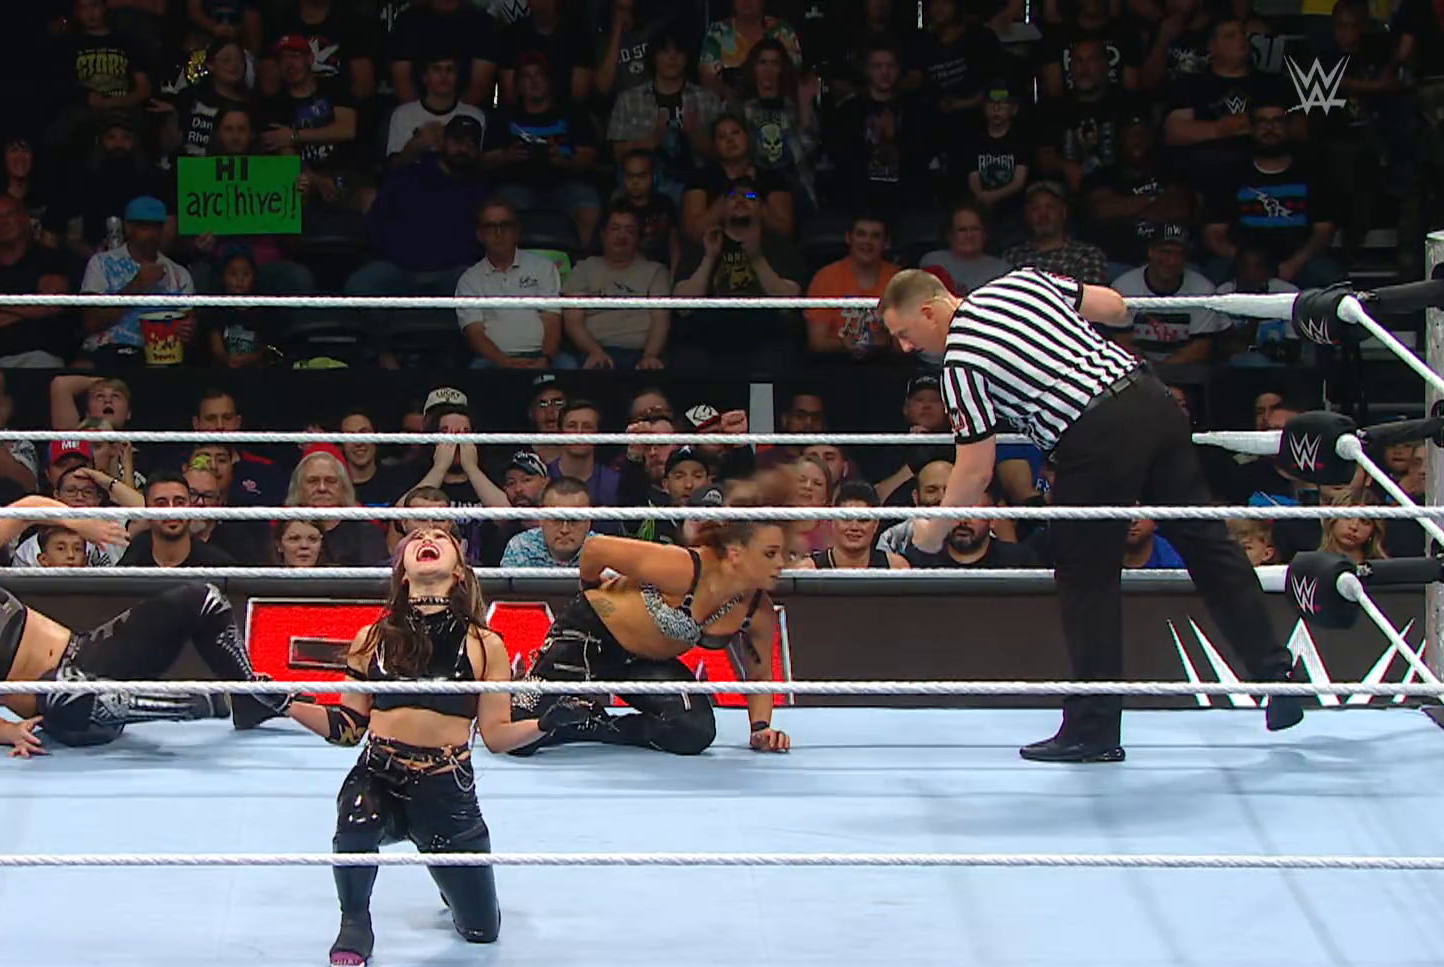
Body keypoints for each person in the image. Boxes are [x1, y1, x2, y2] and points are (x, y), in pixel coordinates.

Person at [876, 267, 1303, 763]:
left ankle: (1093, 729)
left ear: (930, 310)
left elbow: (975, 468)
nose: (906, 347)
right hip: (1151, 399)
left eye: (904, 333)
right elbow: (1117, 308)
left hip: (1093, 436)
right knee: (1207, 544)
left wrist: (934, 530)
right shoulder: (1019, 283)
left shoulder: (961, 361)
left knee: (1086, 579)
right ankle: (1278, 675)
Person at [280, 527, 539, 967]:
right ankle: (354, 922)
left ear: (458, 573)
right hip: (381, 773)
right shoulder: (372, 638)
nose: (428, 536)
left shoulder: (484, 644)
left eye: (441, 535)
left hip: (446, 791)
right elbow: (348, 728)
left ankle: (446, 871)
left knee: (482, 931)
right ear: (403, 573)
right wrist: (286, 704)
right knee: (357, 817)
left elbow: (496, 736)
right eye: (417, 535)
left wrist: (547, 725)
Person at [0, 496, 299, 754]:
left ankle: (249, 697)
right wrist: (12, 732)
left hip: (90, 653)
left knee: (201, 596)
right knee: (65, 693)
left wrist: (77, 522)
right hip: (65, 711)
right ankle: (196, 703)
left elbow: (24, 509)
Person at [510, 522, 791, 756]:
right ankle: (534, 695)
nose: (781, 563)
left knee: (694, 730)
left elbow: (760, 674)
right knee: (519, 735)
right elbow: (596, 549)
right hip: (589, 637)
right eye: (770, 554)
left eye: (783, 553)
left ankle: (591, 724)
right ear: (736, 553)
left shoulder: (757, 612)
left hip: (640, 662)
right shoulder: (685, 568)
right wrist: (591, 589)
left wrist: (760, 728)